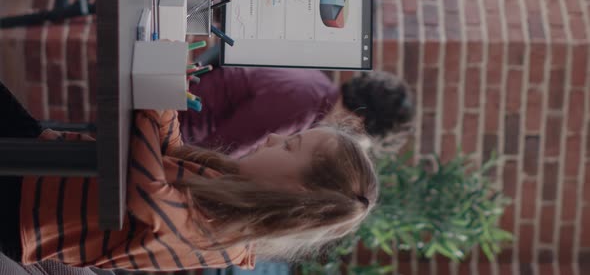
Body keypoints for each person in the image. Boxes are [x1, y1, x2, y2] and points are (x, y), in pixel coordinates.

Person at [0, 81, 378, 272]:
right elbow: (169, 154)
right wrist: (165, 100)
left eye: (290, 147)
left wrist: (150, 107)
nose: (277, 138)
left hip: (19, 209)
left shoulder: (225, 240)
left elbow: (146, 194)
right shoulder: (229, 184)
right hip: (48, 158)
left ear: (298, 191)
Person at [178, 67, 414, 158]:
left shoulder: (316, 83)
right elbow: (215, 153)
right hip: (173, 123)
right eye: (361, 142)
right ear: (359, 122)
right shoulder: (302, 107)